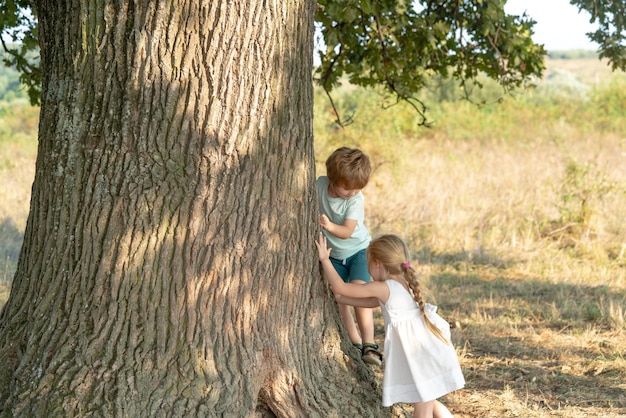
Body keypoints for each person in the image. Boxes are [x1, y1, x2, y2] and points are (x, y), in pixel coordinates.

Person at [315, 233, 465, 418]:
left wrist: (324, 260)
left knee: (423, 406)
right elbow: (372, 302)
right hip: (425, 350)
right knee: (428, 399)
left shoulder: (384, 286)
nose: (369, 271)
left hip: (419, 354)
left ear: (377, 263)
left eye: (369, 265)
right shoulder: (403, 282)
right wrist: (341, 299)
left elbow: (341, 287)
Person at [316, 147, 382, 366]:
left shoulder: (355, 200)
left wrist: (327, 225)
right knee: (340, 297)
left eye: (356, 189)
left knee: (359, 291)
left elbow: (346, 232)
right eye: (347, 188)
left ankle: (369, 343)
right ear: (333, 179)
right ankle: (354, 343)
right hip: (333, 255)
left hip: (357, 251)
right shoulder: (319, 185)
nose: (351, 192)